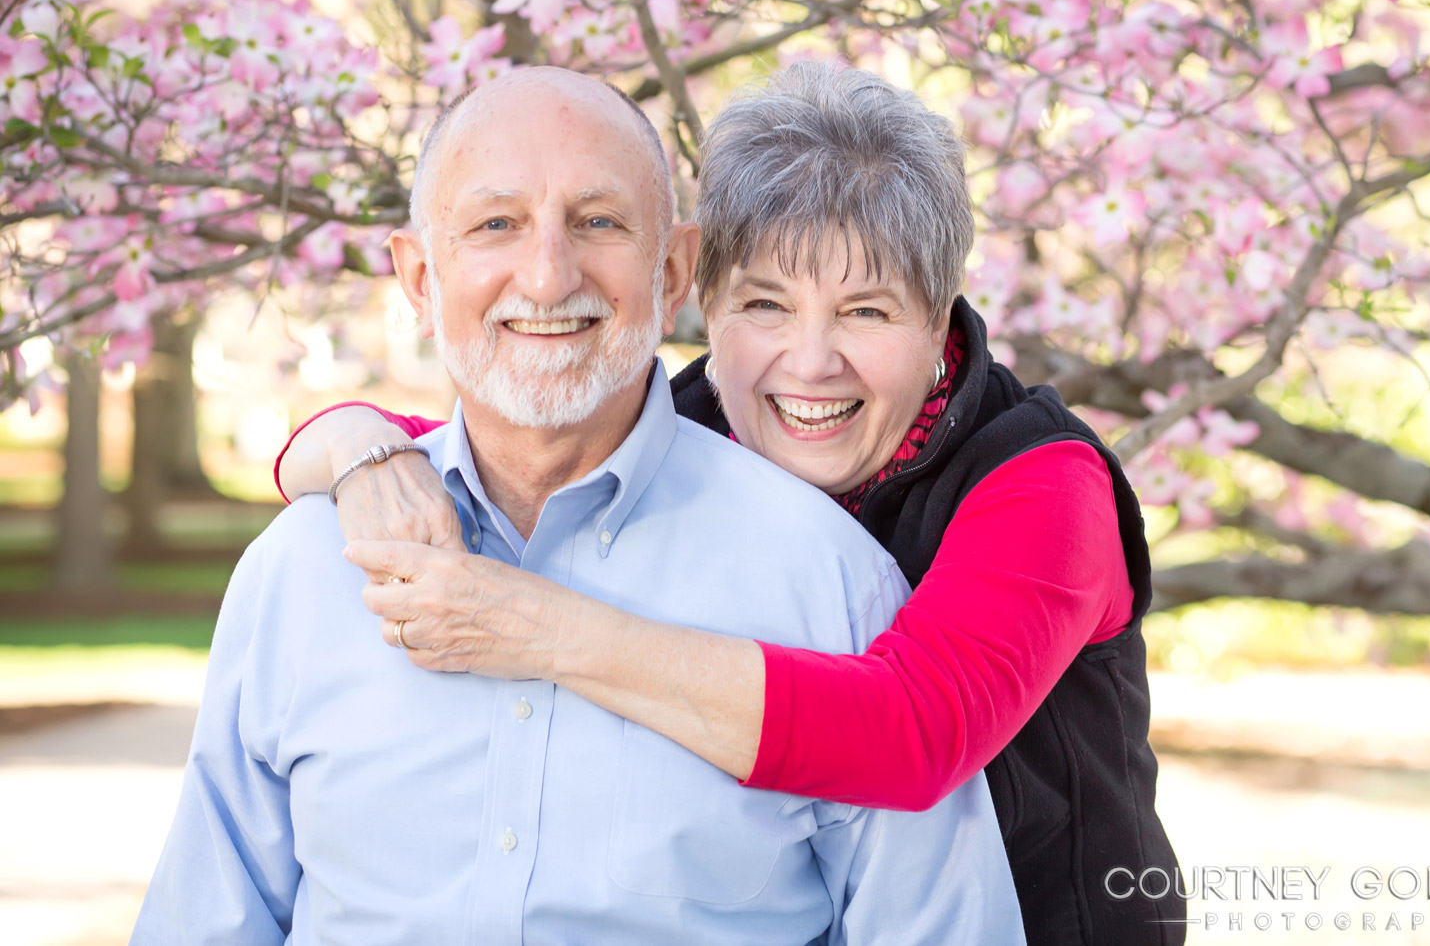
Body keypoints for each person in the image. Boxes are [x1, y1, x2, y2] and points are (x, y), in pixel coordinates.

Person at [279, 62, 1183, 944]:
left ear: (940, 315)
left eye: (867, 311)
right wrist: (354, 442)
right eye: (764, 305)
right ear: (697, 296)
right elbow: (509, 427)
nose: (810, 361)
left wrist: (535, 629)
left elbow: (913, 733)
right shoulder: (700, 425)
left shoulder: (1042, 485)